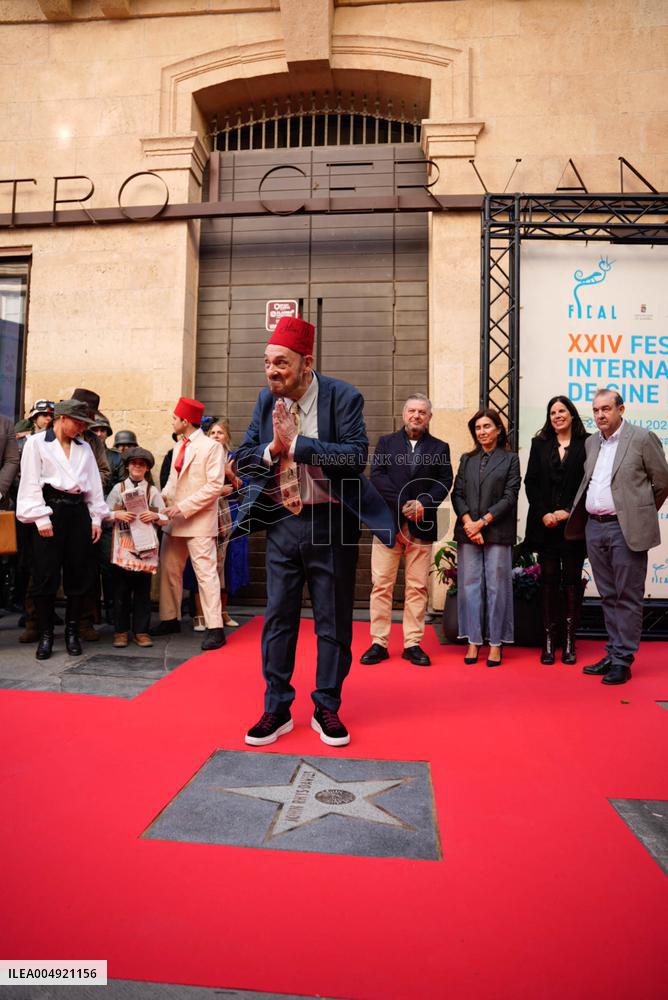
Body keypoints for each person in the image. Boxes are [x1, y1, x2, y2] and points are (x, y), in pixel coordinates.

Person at [234, 315, 394, 748]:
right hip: (282, 522)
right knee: (278, 619)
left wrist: (298, 445)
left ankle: (327, 706)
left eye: (281, 363)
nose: (272, 372)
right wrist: (272, 449)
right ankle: (277, 708)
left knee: (333, 621)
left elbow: (356, 456)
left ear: (307, 363)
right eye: (267, 362)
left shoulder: (343, 396)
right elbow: (243, 457)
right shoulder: (266, 401)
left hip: (332, 523)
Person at [565, 389, 668, 685]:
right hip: (594, 527)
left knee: (627, 596)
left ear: (621, 409)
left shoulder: (642, 438)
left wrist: (636, 513)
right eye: (596, 410)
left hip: (624, 529)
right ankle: (613, 652)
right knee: (608, 595)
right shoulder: (591, 442)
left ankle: (623, 659)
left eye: (606, 409)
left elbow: (662, 481)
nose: (600, 415)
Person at [360, 394, 452, 667]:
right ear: (404, 414)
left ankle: (413, 643)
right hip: (388, 525)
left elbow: (444, 481)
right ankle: (379, 642)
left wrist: (423, 503)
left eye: (422, 412)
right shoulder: (386, 443)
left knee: (417, 587)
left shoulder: (440, 447)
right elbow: (377, 476)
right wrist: (404, 504)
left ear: (429, 417)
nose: (416, 415)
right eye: (412, 411)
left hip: (421, 528)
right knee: (381, 586)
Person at [16, 399, 108, 660]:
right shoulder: (36, 443)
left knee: (78, 575)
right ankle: (46, 634)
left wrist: (96, 519)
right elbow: (30, 483)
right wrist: (41, 518)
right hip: (50, 509)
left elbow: (94, 486)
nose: (82, 428)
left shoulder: (85, 448)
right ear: (62, 418)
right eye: (78, 422)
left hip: (78, 512)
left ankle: (72, 632)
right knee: (45, 575)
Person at [151, 396, 226, 651]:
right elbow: (173, 483)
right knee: (169, 569)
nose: (172, 421)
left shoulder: (212, 447)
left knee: (206, 575)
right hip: (174, 520)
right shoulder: (178, 447)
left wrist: (182, 507)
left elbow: (214, 486)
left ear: (185, 421)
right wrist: (159, 501)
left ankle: (215, 628)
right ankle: (169, 619)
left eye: (175, 418)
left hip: (198, 520)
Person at [451, 408, 521, 667]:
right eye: (478, 428)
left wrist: (482, 523)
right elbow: (457, 493)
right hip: (468, 531)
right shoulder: (467, 459)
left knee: (497, 587)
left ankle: (495, 643)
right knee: (470, 586)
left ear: (498, 430)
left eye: (487, 426)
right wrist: (469, 524)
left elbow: (510, 496)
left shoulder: (511, 459)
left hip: (497, 532)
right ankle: (473, 640)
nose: (482, 432)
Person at [524, 396, 589, 664]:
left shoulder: (588, 444)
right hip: (546, 526)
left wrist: (568, 511)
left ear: (572, 415)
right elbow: (531, 483)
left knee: (572, 582)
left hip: (573, 527)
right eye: (553, 412)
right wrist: (544, 514)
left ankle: (570, 642)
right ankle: (549, 642)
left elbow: (590, 483)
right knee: (548, 582)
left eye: (562, 411)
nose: (557, 416)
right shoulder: (539, 444)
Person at [106, 447, 167, 648]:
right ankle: (121, 632)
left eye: (142, 464)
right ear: (127, 466)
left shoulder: (152, 491)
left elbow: (165, 517)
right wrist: (117, 514)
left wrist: (155, 516)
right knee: (121, 592)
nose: (137, 467)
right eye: (134, 463)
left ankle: (141, 631)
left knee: (142, 592)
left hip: (145, 550)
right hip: (123, 548)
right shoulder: (118, 488)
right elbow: (104, 513)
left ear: (147, 468)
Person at [205, 418, 246, 628]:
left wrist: (230, 474)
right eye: (212, 433)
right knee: (207, 563)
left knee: (227, 564)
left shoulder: (234, 458)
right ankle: (203, 613)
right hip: (207, 511)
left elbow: (244, 488)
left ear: (227, 437)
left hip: (230, 511)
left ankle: (223, 612)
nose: (215, 436)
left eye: (219, 433)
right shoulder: (202, 455)